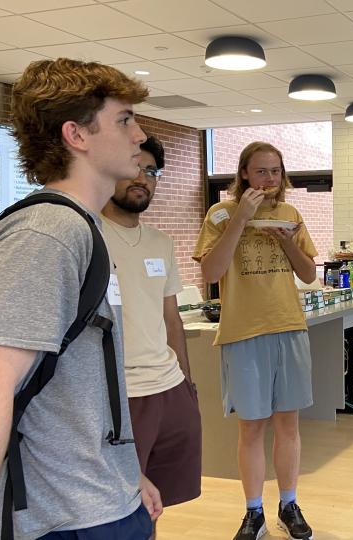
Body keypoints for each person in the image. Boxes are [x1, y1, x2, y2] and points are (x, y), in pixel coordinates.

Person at [0, 58, 160, 539]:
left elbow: (79, 382)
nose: (140, 135)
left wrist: (127, 474)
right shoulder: (47, 234)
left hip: (103, 498)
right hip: (62, 518)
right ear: (76, 135)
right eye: (124, 120)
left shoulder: (81, 227)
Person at [192, 141, 318, 540]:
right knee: (251, 428)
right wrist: (242, 218)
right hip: (242, 332)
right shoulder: (220, 214)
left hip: (288, 326)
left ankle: (289, 504)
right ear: (244, 173)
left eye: (275, 171)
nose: (269, 179)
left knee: (288, 425)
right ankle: (253, 512)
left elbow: (309, 274)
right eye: (261, 171)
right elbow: (211, 273)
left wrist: (286, 240)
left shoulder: (290, 214)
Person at [101, 134, 202, 535]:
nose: (142, 178)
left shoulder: (160, 242)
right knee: (119, 506)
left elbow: (171, 319)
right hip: (120, 394)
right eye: (134, 168)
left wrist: (188, 386)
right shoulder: (89, 234)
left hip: (169, 388)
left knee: (155, 505)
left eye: (151, 171)